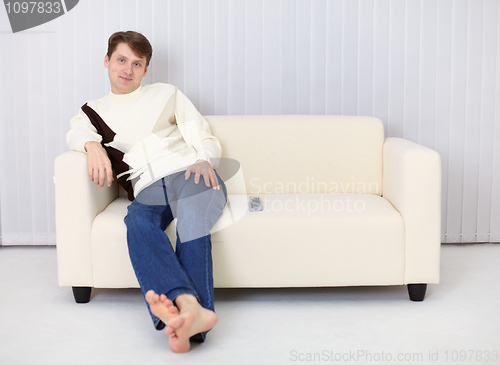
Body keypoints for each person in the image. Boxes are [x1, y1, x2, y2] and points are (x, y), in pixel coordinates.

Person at [66, 31, 228, 353]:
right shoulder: (92, 111)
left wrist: (203, 160)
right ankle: (190, 309)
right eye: (121, 60)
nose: (128, 69)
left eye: (136, 63)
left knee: (193, 218)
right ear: (107, 61)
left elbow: (205, 137)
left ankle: (187, 316)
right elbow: (76, 131)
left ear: (145, 68)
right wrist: (92, 146)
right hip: (149, 187)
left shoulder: (167, 94)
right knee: (137, 222)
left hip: (190, 172)